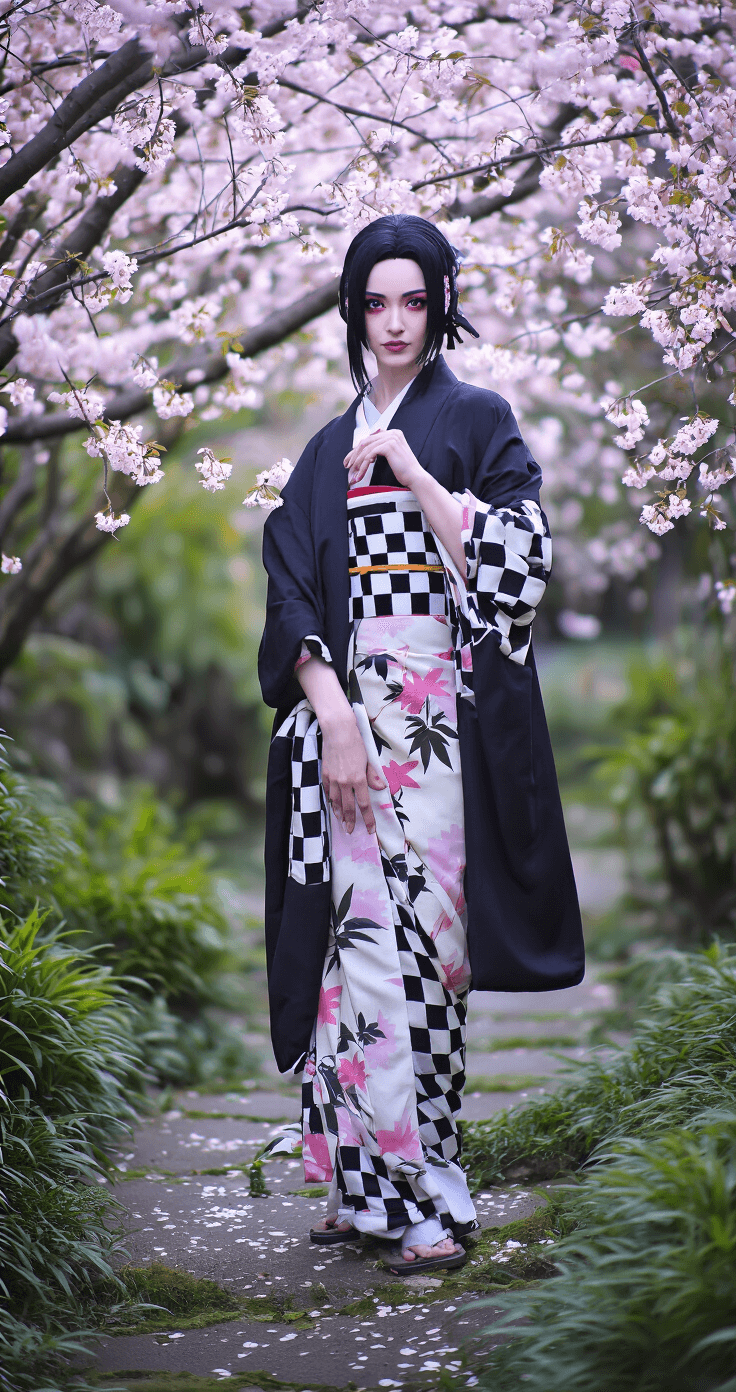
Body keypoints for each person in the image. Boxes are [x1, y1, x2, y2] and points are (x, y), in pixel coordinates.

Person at [258, 214, 584, 1275]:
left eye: (414, 299)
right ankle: (365, 1190)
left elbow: (516, 574)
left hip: (437, 735)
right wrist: (334, 711)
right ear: (353, 311)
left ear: (441, 302)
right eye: (375, 301)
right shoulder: (321, 448)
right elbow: (290, 591)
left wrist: (415, 472)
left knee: (424, 958)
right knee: (343, 955)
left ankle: (436, 1193)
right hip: (341, 737)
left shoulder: (474, 418)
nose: (394, 322)